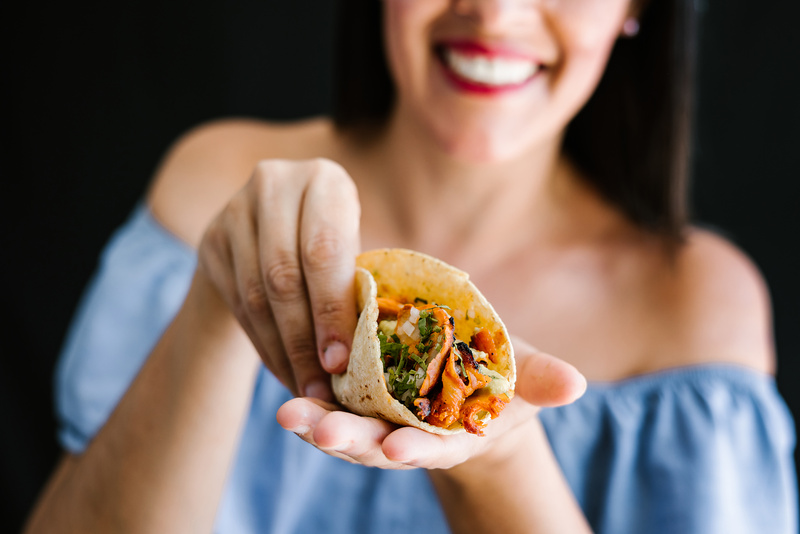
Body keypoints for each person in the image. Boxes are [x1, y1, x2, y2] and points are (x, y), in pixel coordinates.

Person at [24, 0, 798, 533]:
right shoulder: (212, 180)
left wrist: (499, 461)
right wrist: (217, 303)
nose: (494, 12)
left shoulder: (695, 307)